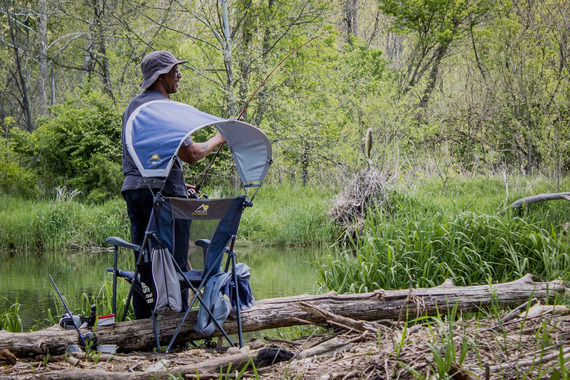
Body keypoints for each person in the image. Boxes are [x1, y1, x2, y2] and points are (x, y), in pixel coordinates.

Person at [121, 50, 225, 319]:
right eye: (173, 71)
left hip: (136, 189)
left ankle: (145, 320)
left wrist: (180, 182)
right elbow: (191, 154)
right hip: (163, 198)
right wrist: (219, 138)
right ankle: (174, 320)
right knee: (175, 259)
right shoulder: (162, 109)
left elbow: (150, 155)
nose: (179, 75)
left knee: (145, 256)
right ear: (160, 77)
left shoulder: (135, 107)